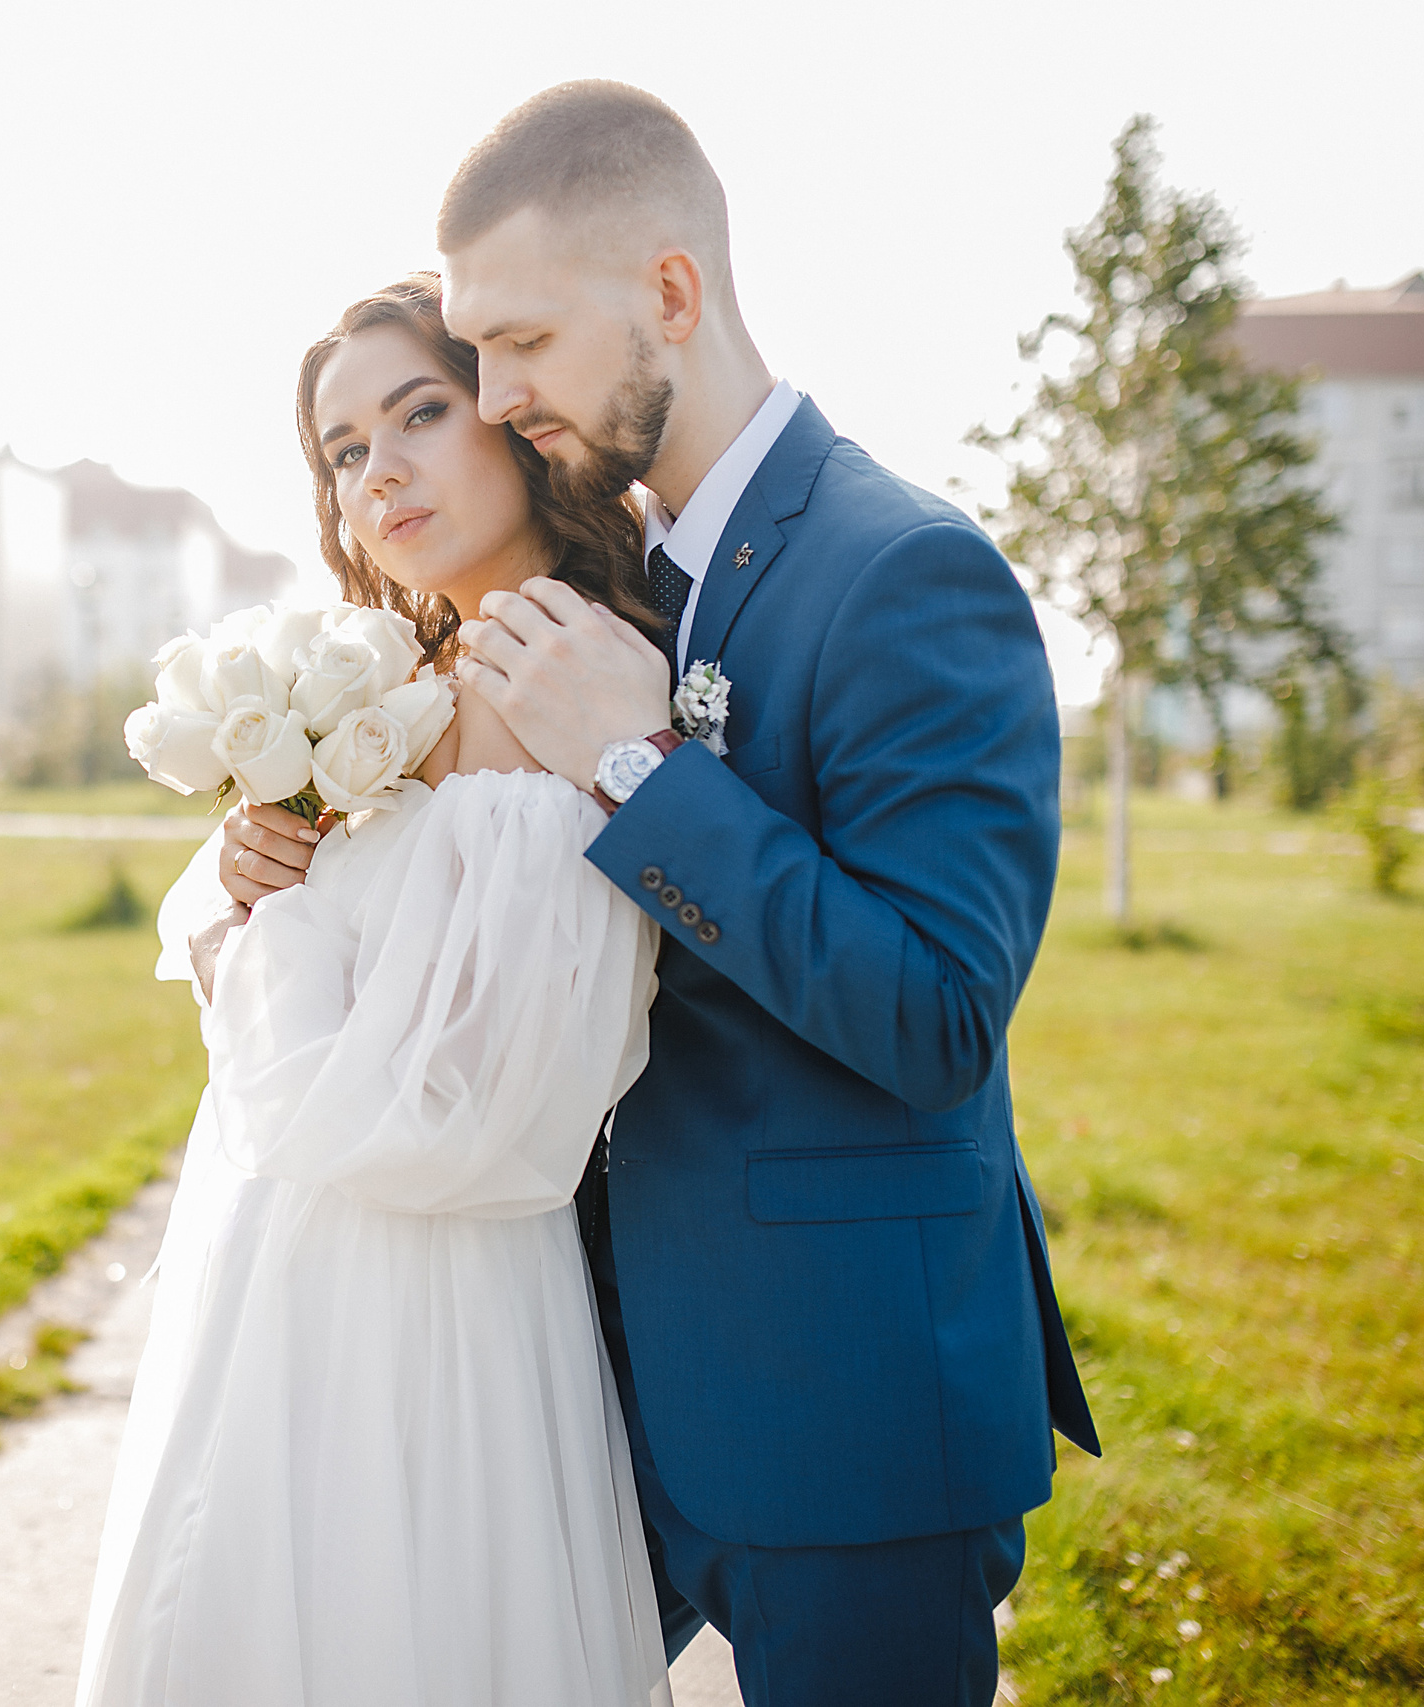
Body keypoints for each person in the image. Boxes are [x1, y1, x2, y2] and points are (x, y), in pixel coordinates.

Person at [432, 82, 1099, 1707]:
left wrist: (642, 768)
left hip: (849, 1410)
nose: (495, 396)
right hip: (623, 1389)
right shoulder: (618, 579)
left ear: (672, 291)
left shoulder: (905, 569)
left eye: (523, 341)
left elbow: (939, 1014)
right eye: (476, 352)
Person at [74, 275, 677, 1707]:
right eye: (345, 451)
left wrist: (263, 938)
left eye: (420, 414)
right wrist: (256, 861)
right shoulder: (402, 678)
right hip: (282, 1282)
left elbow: (460, 1112)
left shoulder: (561, 683)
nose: (380, 473)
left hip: (429, 1310)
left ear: (516, 415)